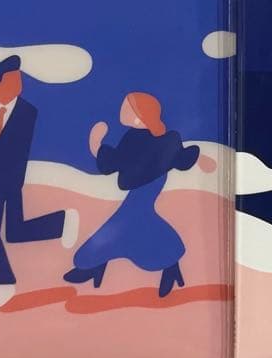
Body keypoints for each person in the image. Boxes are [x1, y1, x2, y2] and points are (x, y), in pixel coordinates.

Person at [0, 55, 79, 311]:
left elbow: (6, 151)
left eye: (19, 79)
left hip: (10, 176)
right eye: (13, 80)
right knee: (13, 230)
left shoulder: (27, 112)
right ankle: (61, 222)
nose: (19, 84)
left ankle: (4, 283)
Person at [63, 92, 216, 297]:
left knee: (126, 222)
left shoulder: (153, 139)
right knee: (135, 221)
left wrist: (96, 145)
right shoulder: (137, 137)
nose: (122, 109)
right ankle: (168, 264)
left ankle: (92, 265)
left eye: (127, 107)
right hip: (142, 188)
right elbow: (117, 161)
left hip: (147, 187)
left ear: (139, 116)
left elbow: (116, 162)